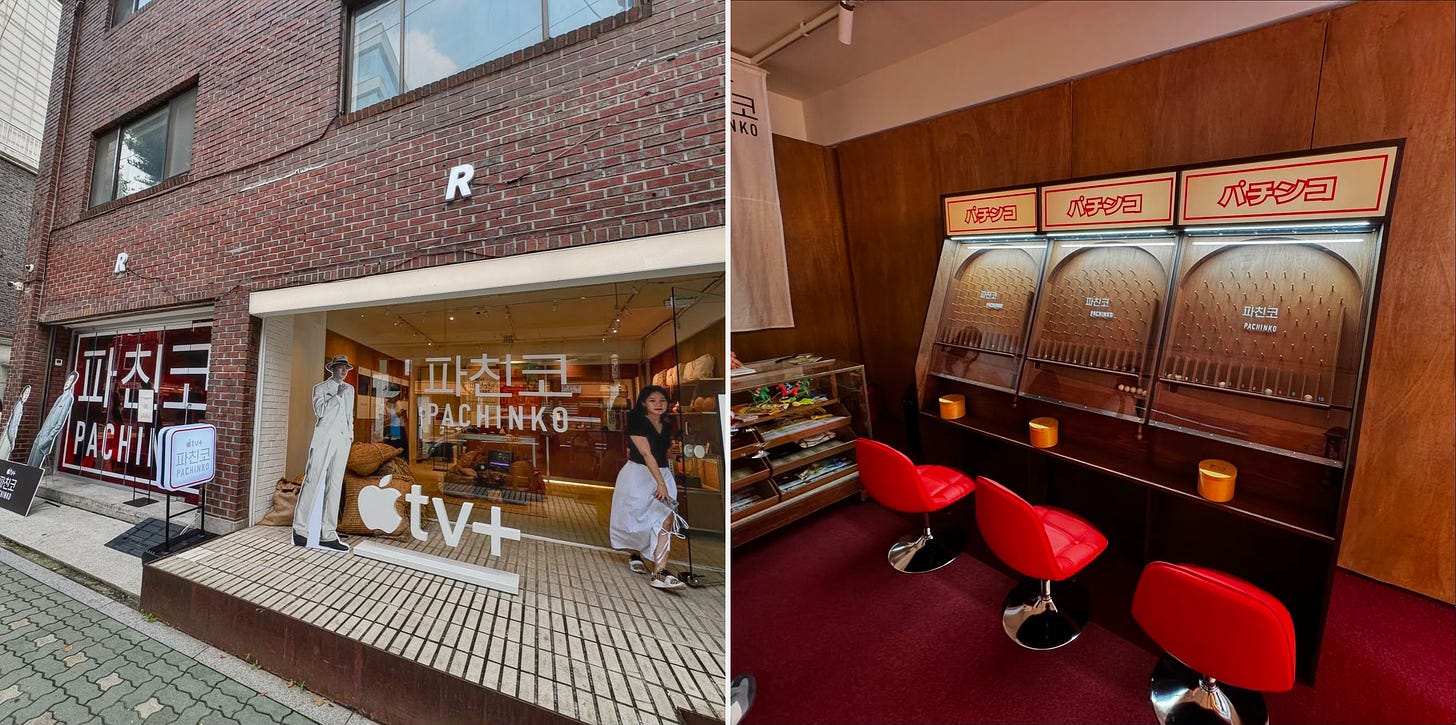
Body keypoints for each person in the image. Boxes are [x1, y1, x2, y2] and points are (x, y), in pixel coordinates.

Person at [609, 385, 687, 590]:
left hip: (663, 473)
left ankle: (659, 571)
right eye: (653, 400)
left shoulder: (668, 424)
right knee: (634, 517)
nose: (658, 404)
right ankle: (635, 553)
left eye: (662, 400)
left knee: (665, 518)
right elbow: (646, 453)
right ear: (644, 403)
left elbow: (666, 451)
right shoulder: (636, 422)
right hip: (639, 476)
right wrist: (660, 483)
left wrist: (678, 454)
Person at [292, 355, 355, 553]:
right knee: (313, 480)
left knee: (335, 485)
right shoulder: (320, 388)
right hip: (323, 438)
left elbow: (349, 415)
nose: (344, 371)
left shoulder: (350, 390)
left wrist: (350, 436)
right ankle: (300, 529)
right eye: (340, 367)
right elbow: (320, 411)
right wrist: (337, 396)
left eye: (346, 368)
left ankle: (328, 533)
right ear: (333, 369)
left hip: (342, 439)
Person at [28, 372, 79, 469]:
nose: (67, 382)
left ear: (73, 383)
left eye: (71, 381)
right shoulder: (60, 397)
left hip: (46, 437)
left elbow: (60, 423)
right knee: (30, 464)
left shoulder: (69, 398)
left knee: (34, 467)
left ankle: (29, 482)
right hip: (41, 434)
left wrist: (48, 439)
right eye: (68, 380)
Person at [0, 385, 32, 461]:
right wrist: (12, 440)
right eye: (26, 393)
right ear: (22, 393)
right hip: (8, 436)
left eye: (28, 394)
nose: (26, 396)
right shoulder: (19, 406)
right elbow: (13, 425)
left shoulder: (19, 404)